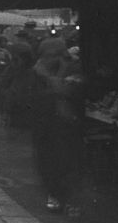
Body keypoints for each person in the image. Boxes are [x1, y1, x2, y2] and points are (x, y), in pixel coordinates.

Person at [31, 35, 86, 212]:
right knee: (47, 162)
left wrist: (51, 81)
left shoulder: (72, 68)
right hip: (45, 123)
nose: (49, 59)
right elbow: (31, 97)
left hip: (67, 122)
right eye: (46, 56)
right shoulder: (36, 72)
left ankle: (68, 198)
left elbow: (69, 90)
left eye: (54, 55)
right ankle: (54, 194)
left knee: (67, 161)